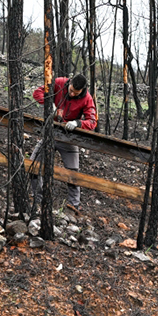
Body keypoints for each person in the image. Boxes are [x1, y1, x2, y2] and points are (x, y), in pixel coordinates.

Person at [30, 74, 97, 212]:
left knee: (73, 173)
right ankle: (38, 198)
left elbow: (92, 122)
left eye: (75, 93)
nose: (71, 94)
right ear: (70, 82)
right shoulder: (60, 82)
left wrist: (78, 123)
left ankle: (74, 204)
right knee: (33, 164)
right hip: (51, 132)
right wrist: (50, 103)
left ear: (82, 90)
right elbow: (37, 92)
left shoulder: (87, 98)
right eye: (71, 90)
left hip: (69, 137)